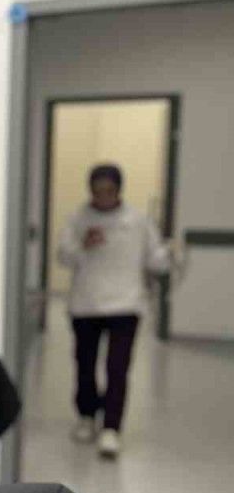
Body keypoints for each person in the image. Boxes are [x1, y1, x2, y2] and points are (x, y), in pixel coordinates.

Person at [58, 163, 169, 458]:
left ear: (119, 190)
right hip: (86, 304)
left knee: (117, 368)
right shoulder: (78, 219)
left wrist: (170, 255)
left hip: (126, 305)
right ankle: (86, 416)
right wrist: (83, 245)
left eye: (109, 191)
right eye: (97, 191)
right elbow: (64, 257)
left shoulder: (138, 221)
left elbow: (155, 260)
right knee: (85, 364)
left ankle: (111, 427)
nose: (103, 197)